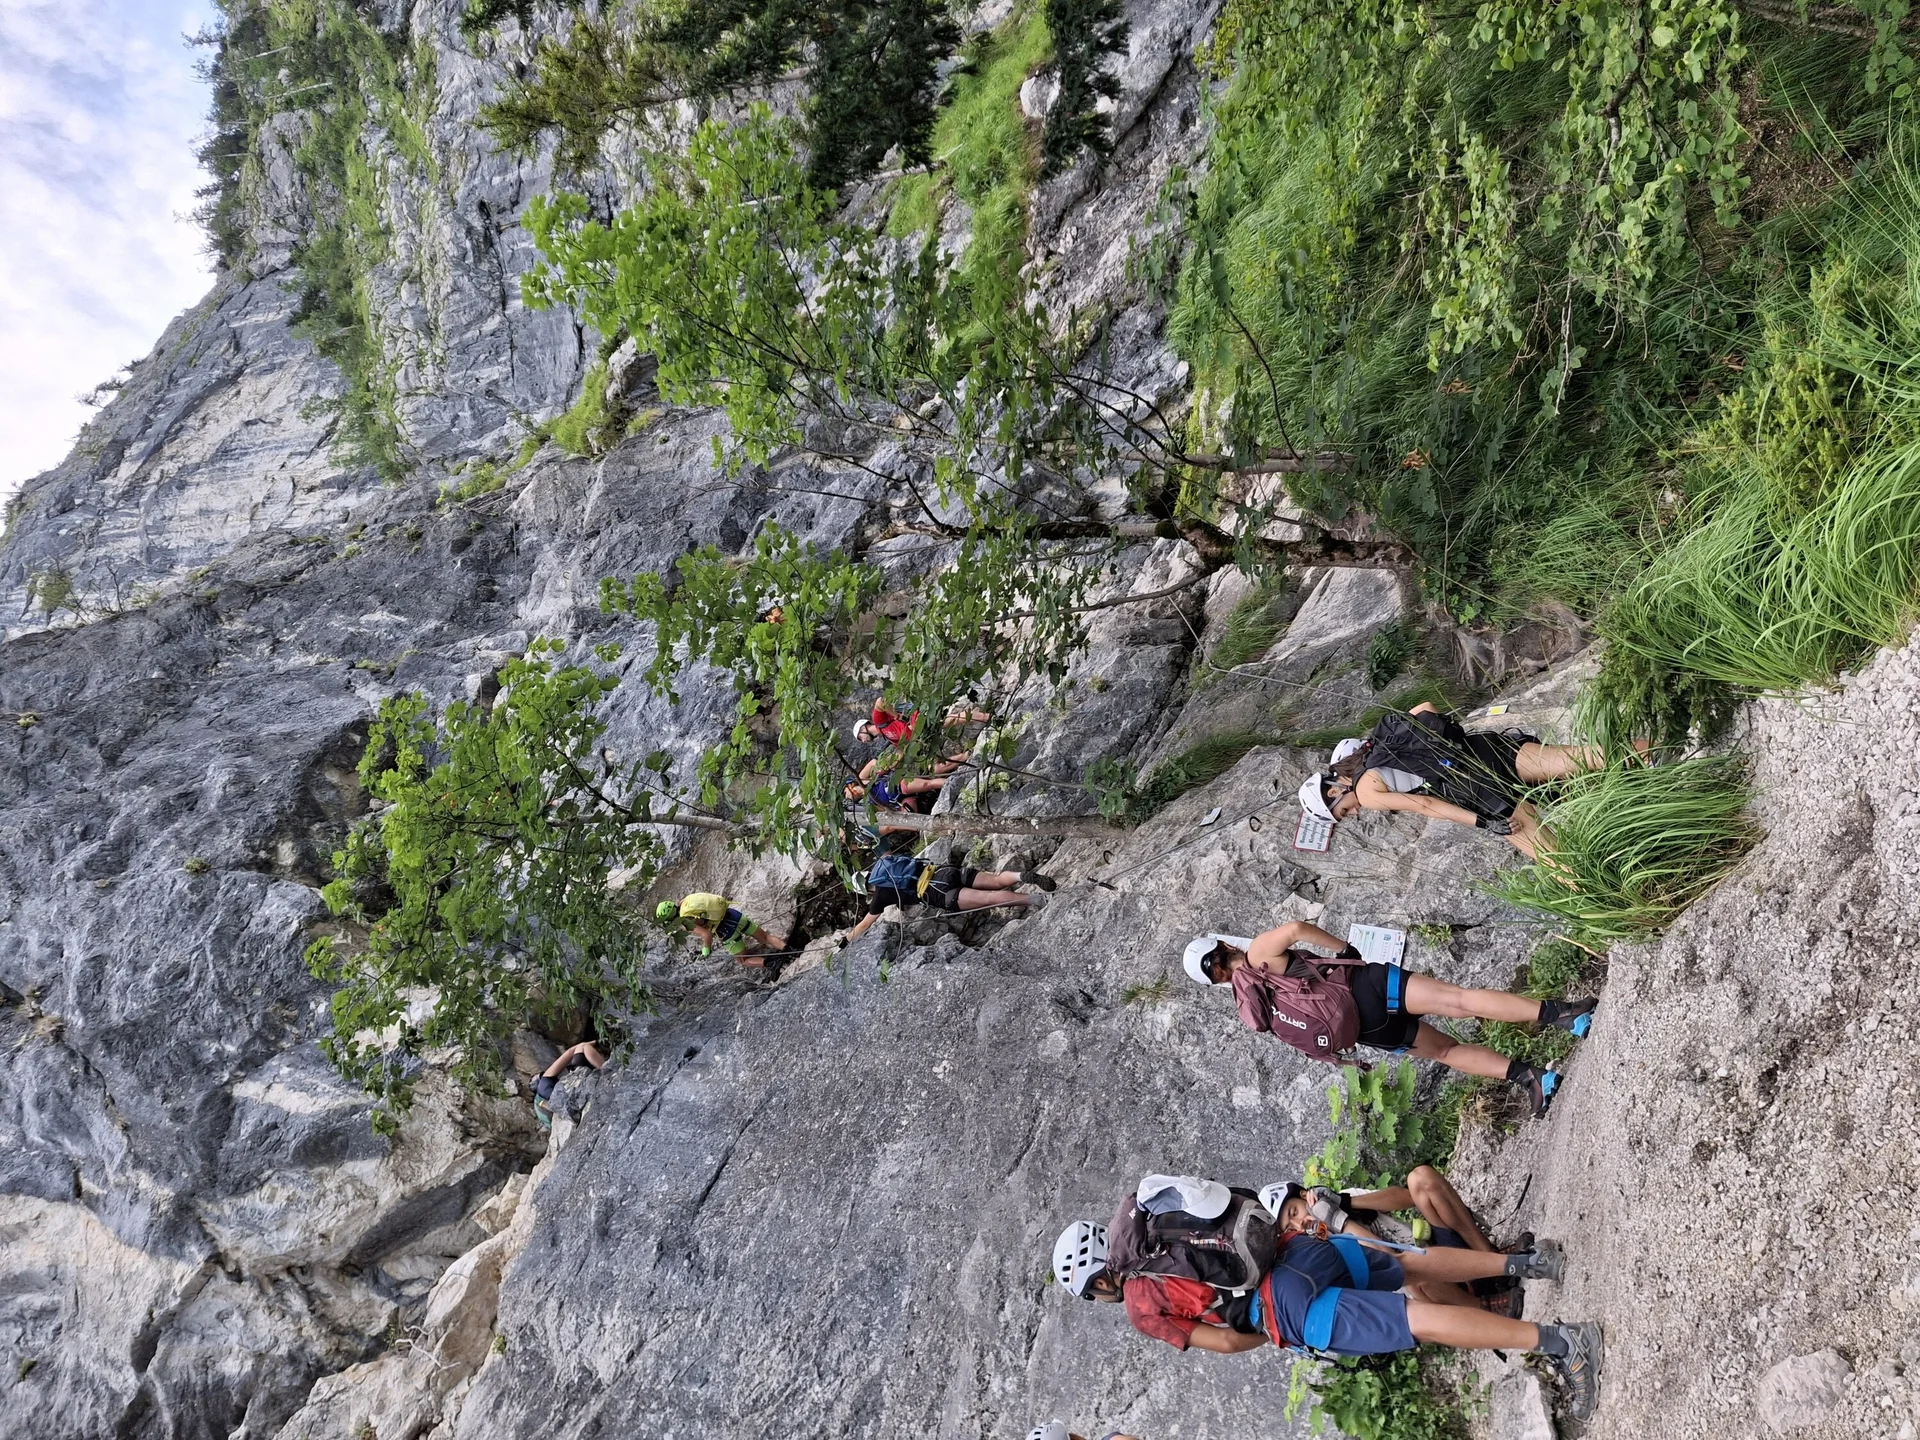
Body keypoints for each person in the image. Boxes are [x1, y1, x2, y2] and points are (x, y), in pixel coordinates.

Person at [1052, 1177, 1603, 1421]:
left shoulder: (1140, 1304)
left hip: (1287, 1307)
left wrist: (1266, 1331)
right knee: (1409, 1264)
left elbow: (1222, 1341)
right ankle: (1529, 1265)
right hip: (1296, 1249)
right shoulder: (1158, 1216)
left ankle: (1561, 1342)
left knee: (1419, 1320)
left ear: (1097, 1281)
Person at [1181, 919, 1593, 1116]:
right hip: (1366, 988)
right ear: (1221, 943)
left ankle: (1533, 1078)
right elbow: (1294, 929)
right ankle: (1565, 1015)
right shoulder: (1257, 952)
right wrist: (1344, 950)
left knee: (1447, 1051)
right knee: (1461, 1001)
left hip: (1366, 1030)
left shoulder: (1248, 1002)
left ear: (1215, 981)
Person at [1297, 703, 1636, 860]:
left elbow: (1428, 805)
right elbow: (1426, 708)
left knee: (1560, 863)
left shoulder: (1367, 791)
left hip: (1483, 794)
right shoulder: (1378, 744)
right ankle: (1674, 752)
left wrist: (1483, 822)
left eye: (1341, 812)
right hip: (1489, 750)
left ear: (1333, 790)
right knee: (1593, 756)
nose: (1351, 814)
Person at [1273, 1168, 1529, 1316]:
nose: (1299, 1224)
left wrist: (1346, 1202)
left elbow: (1407, 1198)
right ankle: (1485, 1307)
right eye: (1290, 1228)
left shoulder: (1340, 1203)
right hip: (1439, 1289)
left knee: (1421, 1178)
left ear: (1305, 1196)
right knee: (1413, 1270)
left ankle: (1490, 1257)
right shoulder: (1321, 1252)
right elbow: (1388, 1257)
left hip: (1439, 1248)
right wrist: (1340, 1222)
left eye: (1294, 1212)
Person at [837, 851, 1055, 944]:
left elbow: (865, 924)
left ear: (868, 890)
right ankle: (1020, 875)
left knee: (990, 898)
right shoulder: (886, 865)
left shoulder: (880, 894)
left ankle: (1035, 900)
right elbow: (892, 856)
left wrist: (845, 942)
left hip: (938, 892)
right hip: (943, 871)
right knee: (997, 880)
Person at [656, 894, 791, 975]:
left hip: (726, 930)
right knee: (766, 938)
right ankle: (790, 950)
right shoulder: (687, 900)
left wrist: (706, 950)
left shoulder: (685, 922)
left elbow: (706, 935)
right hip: (733, 915)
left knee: (743, 960)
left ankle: (773, 963)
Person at [531, 1039, 604, 1128]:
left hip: (575, 1097)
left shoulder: (546, 1095)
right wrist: (595, 1042)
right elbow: (570, 1052)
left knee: (581, 1049)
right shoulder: (544, 1081)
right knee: (583, 1047)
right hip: (580, 1079)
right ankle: (607, 1067)